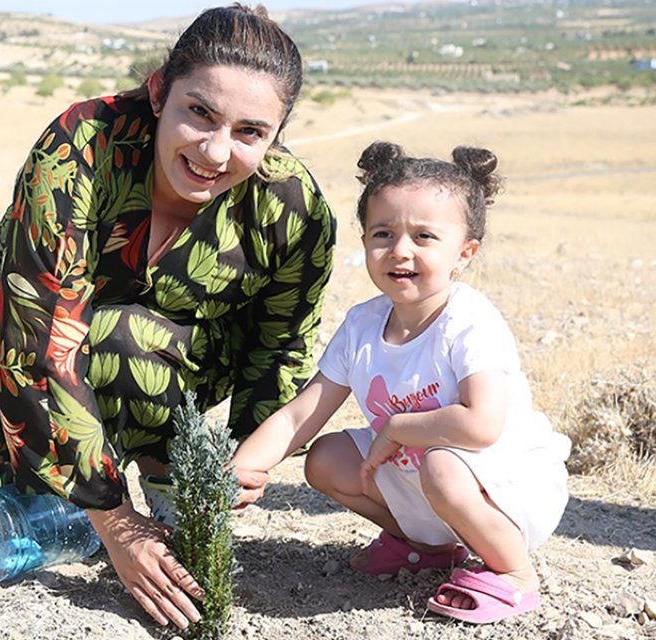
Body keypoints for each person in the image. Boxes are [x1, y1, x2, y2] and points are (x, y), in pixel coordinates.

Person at [0, 4, 336, 630]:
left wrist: (238, 468)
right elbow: (38, 331)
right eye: (200, 113)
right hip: (26, 354)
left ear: (277, 135)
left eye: (250, 132)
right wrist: (113, 518)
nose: (216, 152)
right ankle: (66, 500)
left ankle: (162, 483)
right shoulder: (82, 145)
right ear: (160, 91)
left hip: (172, 375)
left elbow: (281, 349)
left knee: (128, 337)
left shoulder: (291, 207)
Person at [231, 141, 570, 624]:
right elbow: (299, 415)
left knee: (443, 465)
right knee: (326, 459)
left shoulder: (469, 321)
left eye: (425, 237)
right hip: (428, 479)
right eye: (383, 233)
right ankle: (428, 548)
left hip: (507, 488)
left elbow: (480, 427)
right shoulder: (363, 325)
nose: (400, 251)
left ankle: (514, 573)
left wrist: (396, 429)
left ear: (465, 252)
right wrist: (241, 470)